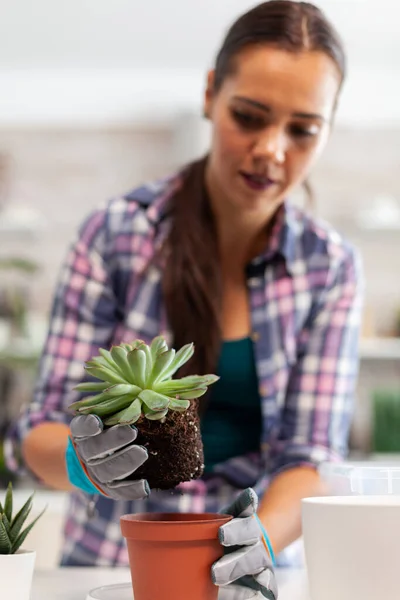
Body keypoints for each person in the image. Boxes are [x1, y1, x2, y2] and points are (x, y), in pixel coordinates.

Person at [5, 0, 363, 596]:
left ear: (327, 129)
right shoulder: (116, 237)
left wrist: (259, 543)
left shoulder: (329, 268)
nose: (273, 149)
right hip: (111, 567)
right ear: (209, 95)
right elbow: (35, 433)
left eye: (302, 129)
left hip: (248, 581)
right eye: (249, 116)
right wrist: (79, 462)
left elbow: (310, 456)